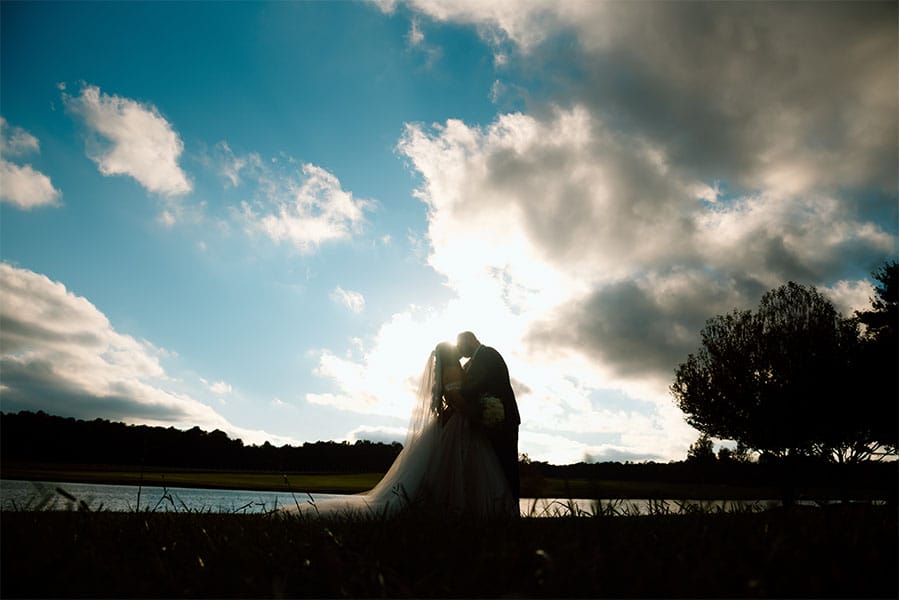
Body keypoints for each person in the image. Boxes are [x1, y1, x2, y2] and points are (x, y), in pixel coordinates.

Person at [282, 340, 515, 518]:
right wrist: (474, 413)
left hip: (459, 424)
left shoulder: (452, 369)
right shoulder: (453, 370)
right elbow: (455, 398)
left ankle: (455, 507)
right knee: (458, 466)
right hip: (460, 423)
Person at [456, 331, 521, 502]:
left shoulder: (487, 354)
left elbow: (476, 384)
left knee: (506, 466)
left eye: (461, 345)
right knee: (493, 468)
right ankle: (496, 509)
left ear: (471, 340)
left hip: (502, 418)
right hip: (489, 418)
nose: (460, 350)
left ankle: (511, 510)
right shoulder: (474, 360)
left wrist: (455, 394)